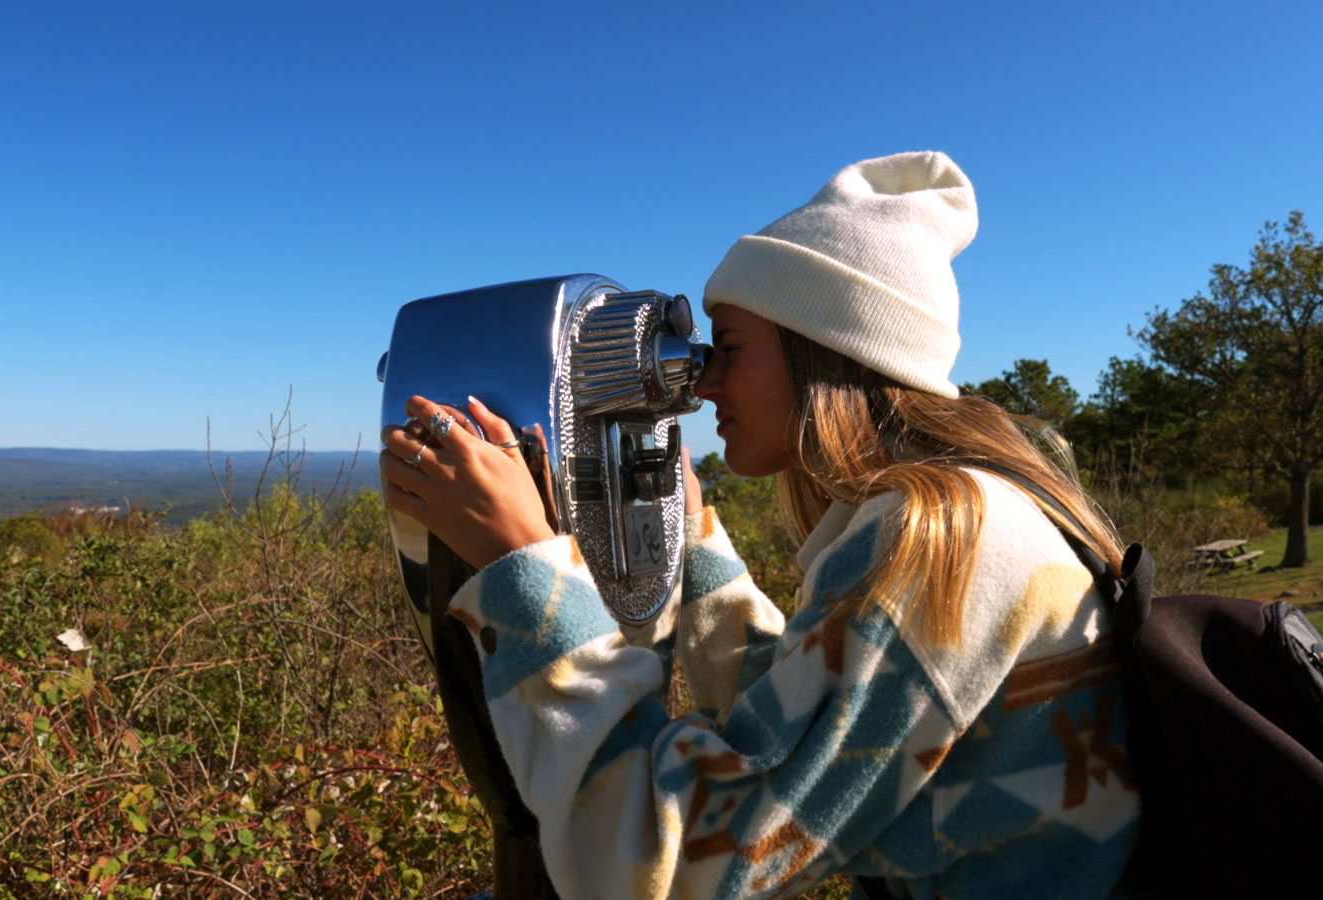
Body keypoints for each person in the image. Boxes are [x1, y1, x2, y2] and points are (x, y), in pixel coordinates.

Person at [380, 151, 1141, 899]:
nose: (702, 382)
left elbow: (668, 868)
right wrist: (694, 532)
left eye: (731, 347)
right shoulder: (977, 510)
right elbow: (809, 736)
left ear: (825, 354)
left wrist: (521, 565)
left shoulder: (937, 537)